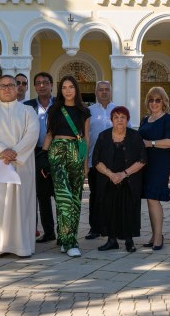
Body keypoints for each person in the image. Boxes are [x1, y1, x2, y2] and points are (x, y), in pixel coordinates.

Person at [0, 75, 40, 257]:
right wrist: (1, 150)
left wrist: (15, 153)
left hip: (21, 166)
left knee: (21, 205)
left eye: (11, 85)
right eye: (2, 86)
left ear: (17, 88)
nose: (6, 89)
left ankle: (21, 246)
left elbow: (32, 134)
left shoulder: (28, 111)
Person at [43, 76, 91, 257]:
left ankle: (64, 238)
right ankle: (71, 242)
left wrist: (85, 163)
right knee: (64, 197)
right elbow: (49, 134)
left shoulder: (84, 111)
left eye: (71, 87)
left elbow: (86, 138)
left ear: (76, 89)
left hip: (76, 152)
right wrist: (43, 159)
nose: (68, 90)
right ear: (60, 90)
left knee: (76, 199)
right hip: (57, 151)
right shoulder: (55, 109)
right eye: (64, 87)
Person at [92, 106, 146, 253]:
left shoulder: (135, 136)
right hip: (108, 180)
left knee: (129, 209)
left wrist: (123, 174)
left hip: (129, 180)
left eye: (123, 117)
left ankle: (129, 240)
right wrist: (111, 175)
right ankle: (111, 240)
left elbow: (142, 159)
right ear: (112, 120)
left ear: (127, 119)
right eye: (116, 117)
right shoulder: (103, 136)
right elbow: (96, 160)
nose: (120, 120)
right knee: (109, 209)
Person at [138, 86, 170, 251]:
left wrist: (151, 143)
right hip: (145, 164)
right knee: (149, 198)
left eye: (157, 100)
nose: (154, 103)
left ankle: (158, 237)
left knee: (154, 198)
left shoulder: (168, 119)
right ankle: (155, 235)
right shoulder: (145, 119)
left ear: (164, 102)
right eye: (151, 100)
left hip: (160, 163)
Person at [24, 72, 56, 243]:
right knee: (42, 195)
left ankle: (65, 232)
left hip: (58, 152)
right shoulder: (27, 106)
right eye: (38, 83)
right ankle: (49, 232)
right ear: (34, 86)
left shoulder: (60, 104)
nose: (42, 85)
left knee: (60, 194)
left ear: (51, 84)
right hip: (36, 154)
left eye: (45, 82)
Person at [85, 80, 115, 240]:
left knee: (112, 196)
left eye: (106, 90)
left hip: (114, 162)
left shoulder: (118, 110)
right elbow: (85, 137)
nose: (104, 92)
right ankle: (95, 228)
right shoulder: (88, 112)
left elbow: (128, 131)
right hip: (94, 161)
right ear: (96, 92)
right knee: (95, 195)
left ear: (110, 92)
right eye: (101, 90)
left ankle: (111, 227)